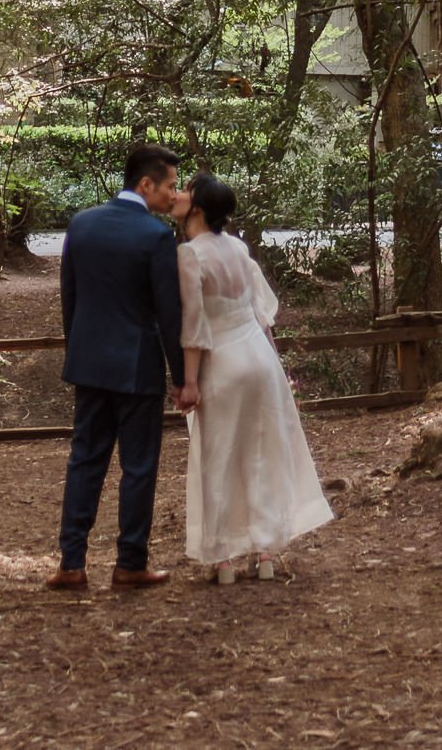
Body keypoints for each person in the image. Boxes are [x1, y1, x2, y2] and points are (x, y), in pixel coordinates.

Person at [173, 172, 333, 583]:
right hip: (260, 359)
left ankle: (223, 558)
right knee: (262, 452)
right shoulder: (238, 248)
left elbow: (194, 328)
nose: (179, 194)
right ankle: (264, 553)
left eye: (186, 191)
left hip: (222, 362)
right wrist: (277, 366)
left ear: (199, 208)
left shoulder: (190, 255)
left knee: (220, 455)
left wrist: (188, 382)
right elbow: (263, 314)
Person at [47, 142, 192, 592]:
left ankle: (71, 563)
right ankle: (130, 562)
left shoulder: (81, 224)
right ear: (145, 184)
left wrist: (80, 353)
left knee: (84, 461)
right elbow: (169, 315)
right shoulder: (154, 236)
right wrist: (182, 378)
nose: (174, 194)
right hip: (137, 367)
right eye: (169, 185)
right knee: (139, 467)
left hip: (89, 364)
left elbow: (70, 299)